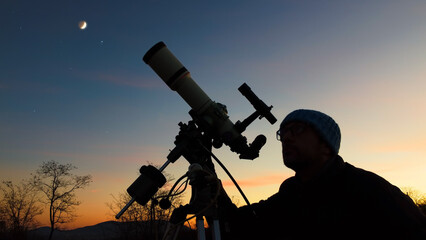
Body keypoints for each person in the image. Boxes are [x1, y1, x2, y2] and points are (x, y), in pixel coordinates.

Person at [215, 109, 426, 240]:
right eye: (283, 132)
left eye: (297, 130)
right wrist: (214, 193)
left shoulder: (369, 189)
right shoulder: (290, 193)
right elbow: (244, 224)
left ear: (326, 145)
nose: (286, 138)